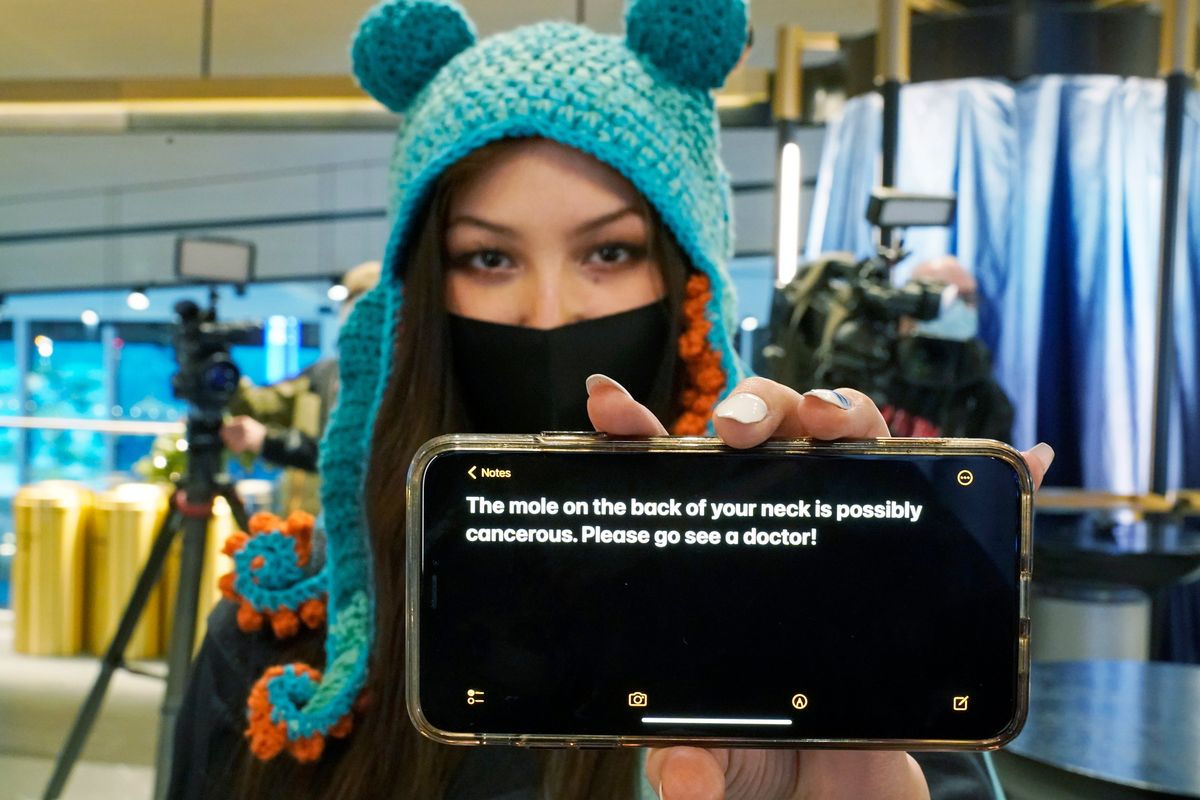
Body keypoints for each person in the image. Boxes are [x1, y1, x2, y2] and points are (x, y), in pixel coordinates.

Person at [169, 1, 1055, 798]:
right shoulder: (281, 640)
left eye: (609, 253)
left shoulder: (833, 611)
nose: (550, 316)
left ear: (689, 285)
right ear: (418, 296)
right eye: (489, 258)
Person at [220, 261, 381, 513]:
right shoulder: (323, 373)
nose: (357, 317)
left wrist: (267, 441)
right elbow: (259, 404)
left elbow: (350, 457)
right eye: (351, 302)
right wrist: (223, 376)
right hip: (299, 522)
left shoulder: (393, 385)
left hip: (353, 521)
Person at [883, 255, 1015, 440]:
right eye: (955, 298)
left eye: (970, 297)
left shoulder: (984, 393)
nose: (967, 306)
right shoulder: (875, 365)